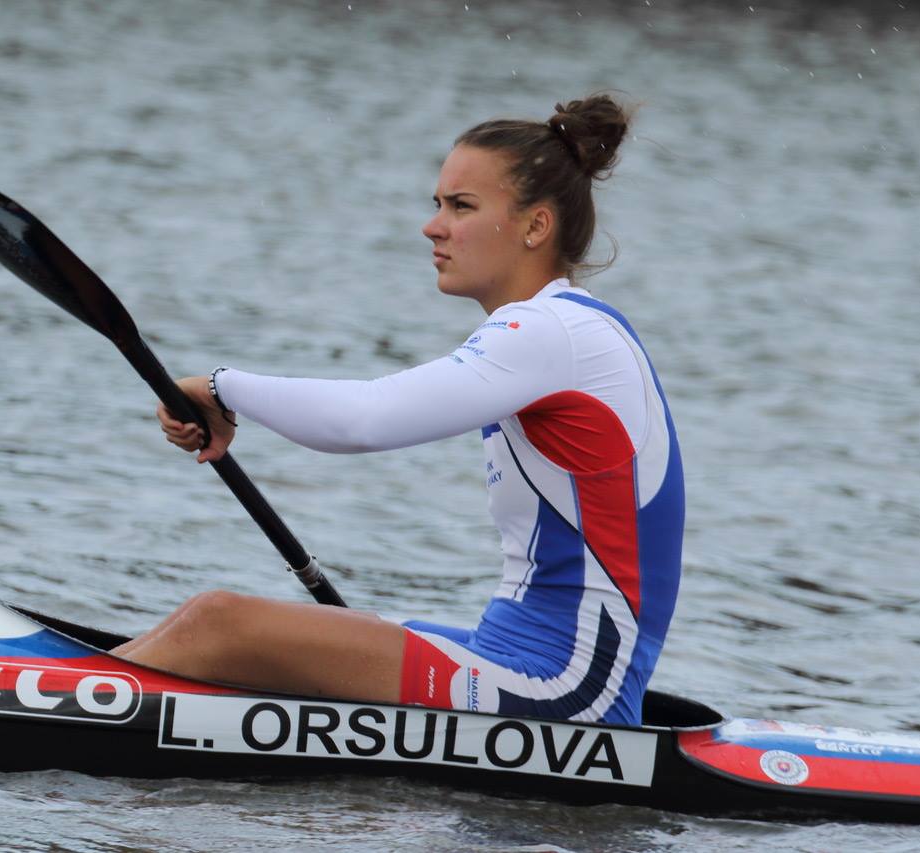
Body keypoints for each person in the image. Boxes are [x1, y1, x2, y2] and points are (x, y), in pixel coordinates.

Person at [113, 94, 684, 726]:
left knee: (218, 624)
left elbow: (365, 420)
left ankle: (44, 702)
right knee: (222, 632)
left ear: (535, 226)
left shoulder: (552, 332)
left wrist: (222, 387)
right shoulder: (572, 328)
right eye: (437, 204)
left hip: (567, 691)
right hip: (515, 655)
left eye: (461, 207)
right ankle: (73, 684)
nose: (432, 227)